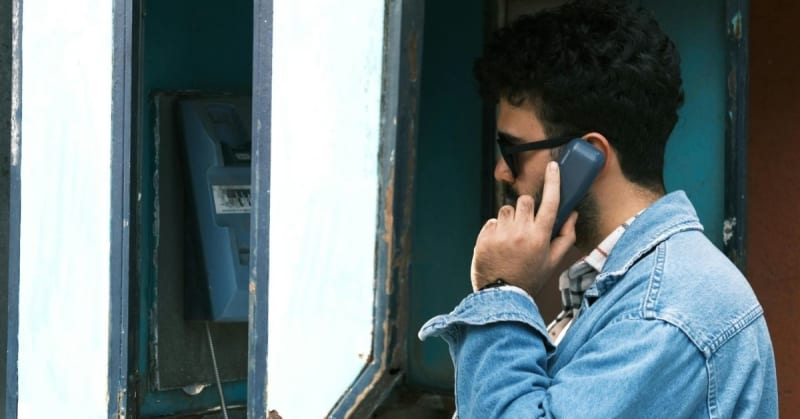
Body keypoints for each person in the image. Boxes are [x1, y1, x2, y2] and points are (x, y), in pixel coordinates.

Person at [418, 1, 778, 418]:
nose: (501, 170)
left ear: (587, 157)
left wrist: (502, 291)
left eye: (512, 150)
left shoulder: (662, 315)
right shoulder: (622, 291)